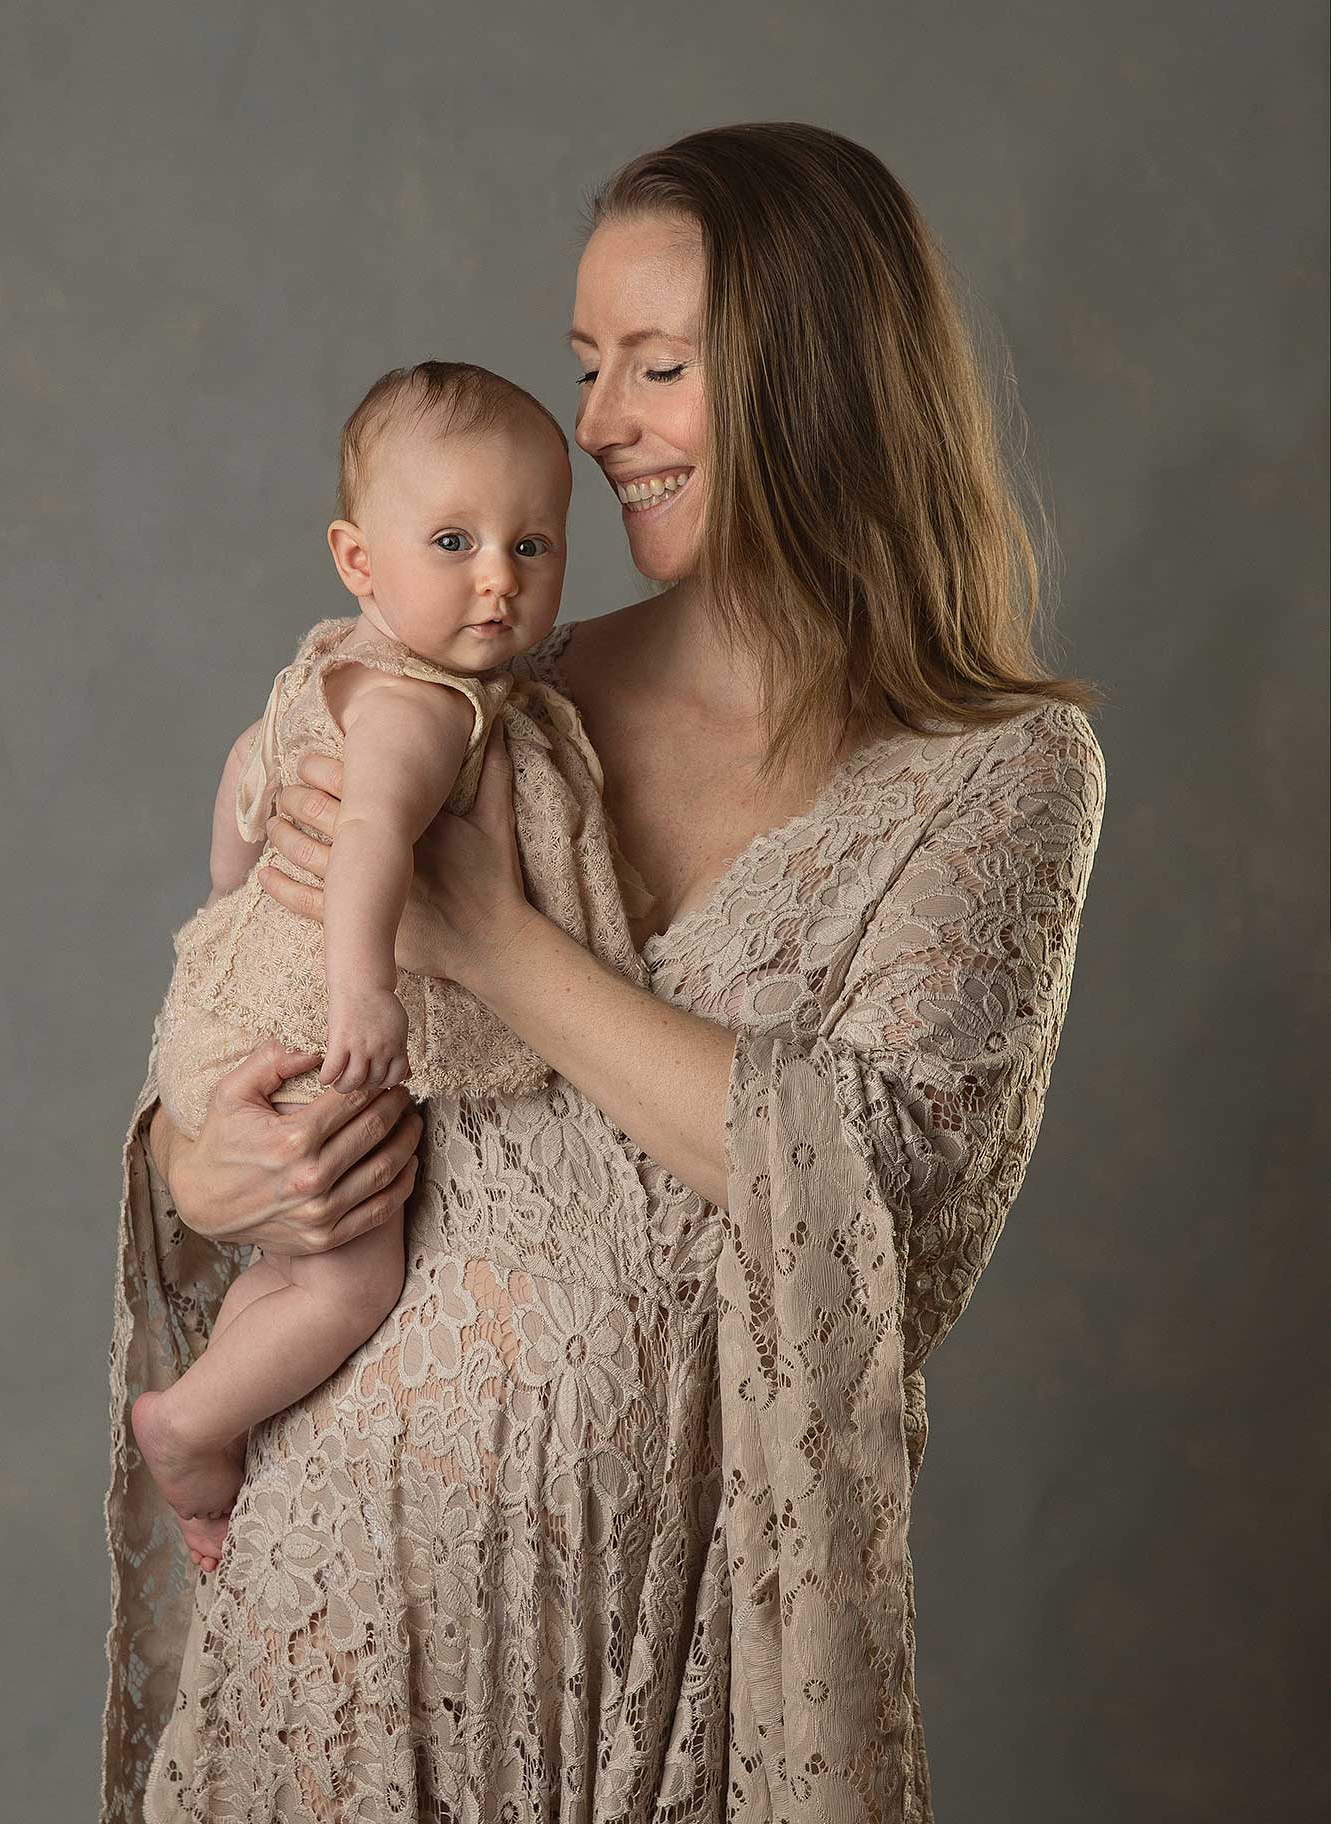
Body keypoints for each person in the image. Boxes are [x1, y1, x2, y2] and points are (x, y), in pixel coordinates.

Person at [102, 123, 1107, 1822]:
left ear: (821, 380)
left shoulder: (997, 771)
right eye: (588, 367)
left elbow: (878, 1209)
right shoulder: (495, 680)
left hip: (674, 1653)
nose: (597, 426)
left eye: (657, 365)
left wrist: (497, 938)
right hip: (340, 1610)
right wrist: (205, 1164)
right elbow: (257, 1006)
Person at [129, 360, 650, 1575]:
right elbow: (368, 835)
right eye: (455, 540)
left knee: (296, 1269)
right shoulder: (427, 711)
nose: (497, 581)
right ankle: (191, 1427)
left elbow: (244, 778)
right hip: (311, 1036)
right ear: (359, 560)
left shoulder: (330, 662)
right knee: (351, 1286)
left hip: (227, 1012)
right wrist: (361, 985)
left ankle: (219, 1401)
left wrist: (230, 894)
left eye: (533, 546)